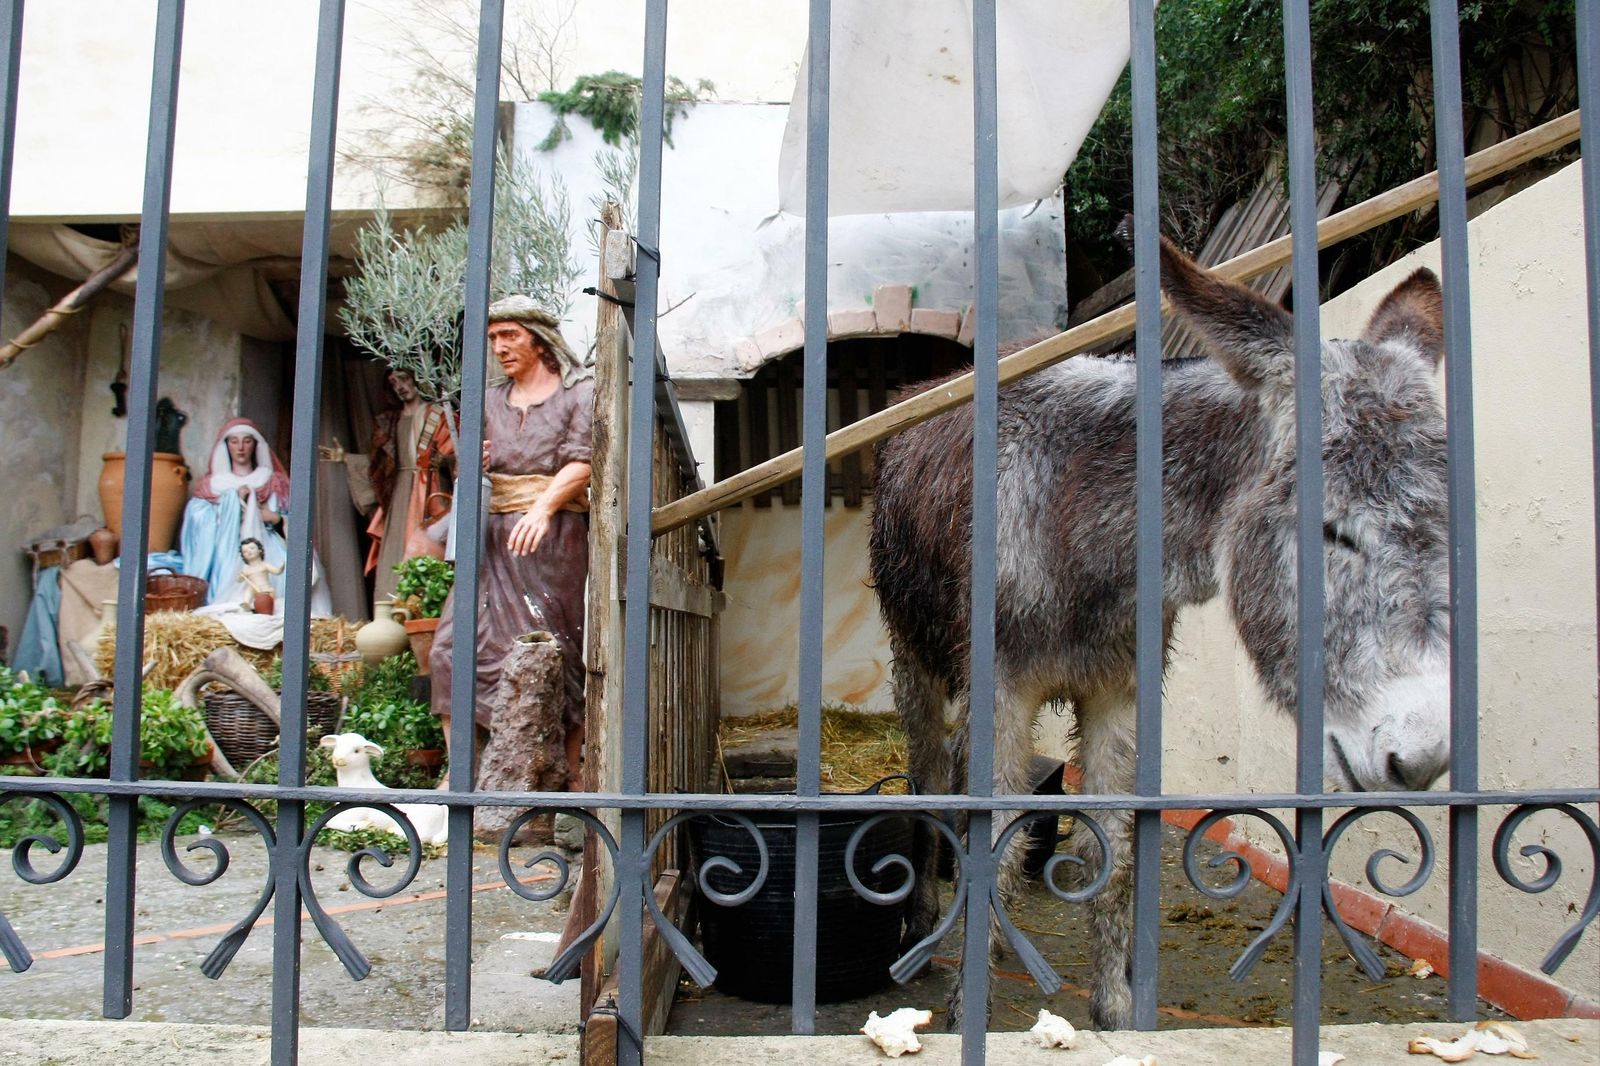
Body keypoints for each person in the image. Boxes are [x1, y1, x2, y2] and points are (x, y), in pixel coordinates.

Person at [430, 297, 592, 786]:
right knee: (448, 651)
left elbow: (584, 461)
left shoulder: (577, 395)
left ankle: (565, 774)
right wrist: (470, 465)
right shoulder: (486, 399)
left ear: (539, 339)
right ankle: (465, 774)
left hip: (551, 540)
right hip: (491, 539)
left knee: (557, 652)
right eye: (494, 337)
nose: (499, 347)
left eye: (510, 336)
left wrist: (543, 507)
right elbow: (467, 468)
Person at [179, 417, 332, 615]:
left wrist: (275, 518)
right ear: (226, 446)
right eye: (234, 442)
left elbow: (297, 520)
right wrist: (232, 501)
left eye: (247, 441)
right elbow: (196, 519)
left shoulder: (273, 482)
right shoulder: (212, 485)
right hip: (226, 549)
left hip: (268, 546)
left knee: (284, 580)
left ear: (255, 445)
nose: (240, 448)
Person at [361, 368, 456, 607]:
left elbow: (456, 455)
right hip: (399, 491)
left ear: (417, 378)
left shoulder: (438, 415)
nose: (400, 386)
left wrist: (444, 462)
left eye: (403, 379)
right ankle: (390, 608)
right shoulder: (390, 422)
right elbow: (376, 464)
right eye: (393, 382)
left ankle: (422, 609)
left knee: (426, 544)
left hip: (428, 489)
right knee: (394, 548)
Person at [238, 537, 283, 614]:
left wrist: (281, 567)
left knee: (266, 601)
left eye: (252, 548)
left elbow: (276, 571)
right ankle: (246, 603)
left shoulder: (264, 565)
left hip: (266, 590)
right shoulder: (247, 569)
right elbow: (239, 580)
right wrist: (240, 577)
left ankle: (263, 608)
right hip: (255, 592)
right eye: (245, 551)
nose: (248, 552)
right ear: (243, 556)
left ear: (260, 550)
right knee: (249, 589)